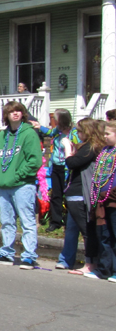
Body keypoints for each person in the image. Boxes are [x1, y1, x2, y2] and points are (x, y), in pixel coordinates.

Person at [0, 102, 43, 268]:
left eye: (18, 111)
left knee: (27, 221)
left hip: (23, 185)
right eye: (11, 112)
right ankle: (7, 253)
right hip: (4, 185)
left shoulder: (29, 133)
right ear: (6, 115)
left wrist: (18, 175)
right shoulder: (2, 136)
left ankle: (29, 256)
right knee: (7, 221)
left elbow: (35, 161)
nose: (15, 114)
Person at [58, 118, 103, 272]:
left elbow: (72, 163)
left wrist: (67, 150)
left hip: (81, 193)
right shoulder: (87, 147)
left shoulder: (92, 147)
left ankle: (91, 264)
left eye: (80, 130)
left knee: (87, 230)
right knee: (71, 227)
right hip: (75, 193)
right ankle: (67, 260)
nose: (78, 133)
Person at [33, 109, 75, 232]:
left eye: (56, 119)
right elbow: (50, 133)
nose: (54, 121)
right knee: (56, 195)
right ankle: (55, 221)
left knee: (67, 195)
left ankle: (69, 221)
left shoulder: (73, 133)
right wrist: (39, 127)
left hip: (67, 167)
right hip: (56, 166)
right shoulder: (58, 130)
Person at [90, 120, 116, 281]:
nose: (104, 136)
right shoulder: (105, 151)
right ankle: (104, 269)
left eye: (108, 133)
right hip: (102, 199)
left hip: (113, 198)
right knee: (105, 235)